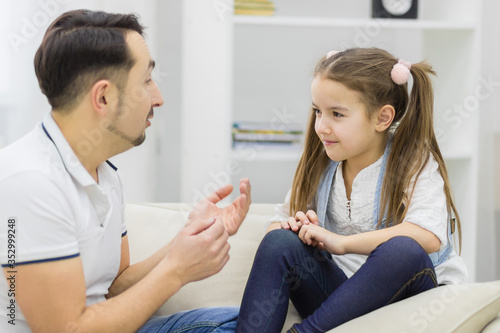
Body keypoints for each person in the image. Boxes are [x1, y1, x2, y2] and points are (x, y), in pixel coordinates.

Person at [0, 9, 251, 333]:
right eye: (146, 81)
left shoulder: (104, 173)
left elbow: (114, 287)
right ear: (103, 97)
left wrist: (188, 242)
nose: (158, 98)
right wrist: (176, 270)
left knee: (240, 320)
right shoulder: (28, 181)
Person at [236, 48, 467, 333]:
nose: (321, 126)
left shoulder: (412, 159)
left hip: (405, 301)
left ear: (382, 118)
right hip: (337, 302)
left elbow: (428, 236)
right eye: (317, 111)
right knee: (279, 243)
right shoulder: (321, 160)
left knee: (403, 250)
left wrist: (341, 243)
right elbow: (277, 222)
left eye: (337, 114)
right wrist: (292, 228)